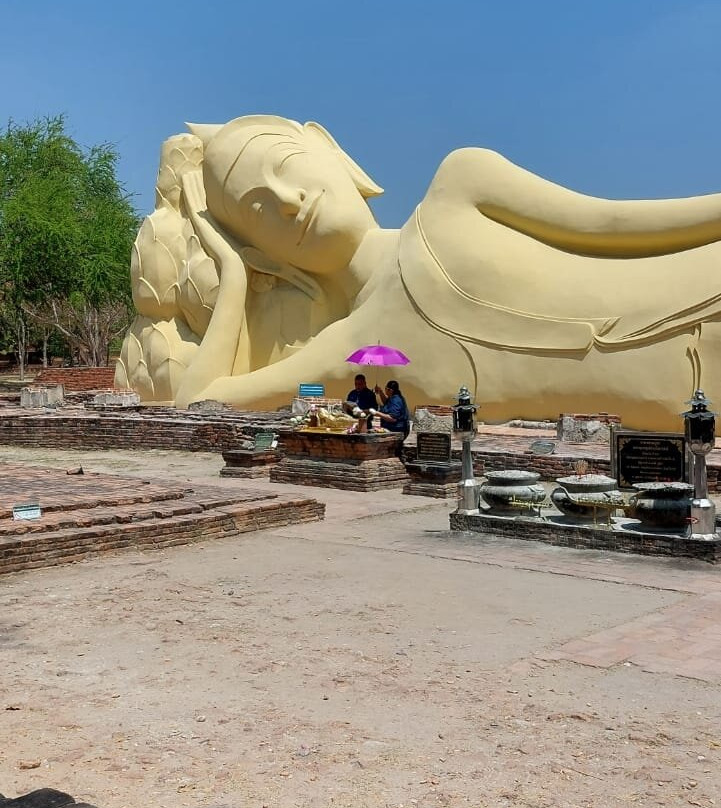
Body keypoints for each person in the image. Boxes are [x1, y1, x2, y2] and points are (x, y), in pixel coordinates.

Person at [121, 114, 721, 431]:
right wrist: (232, 274)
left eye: (288, 166)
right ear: (266, 257)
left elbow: (622, 225)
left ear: (330, 152)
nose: (285, 200)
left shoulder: (462, 186)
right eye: (258, 211)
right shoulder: (354, 350)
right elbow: (200, 401)